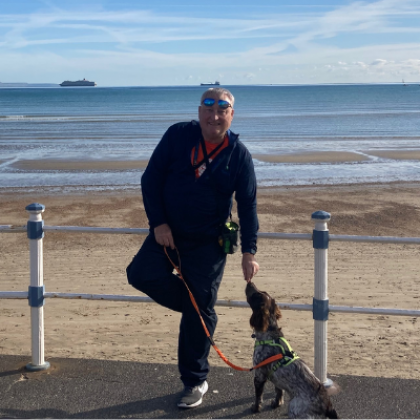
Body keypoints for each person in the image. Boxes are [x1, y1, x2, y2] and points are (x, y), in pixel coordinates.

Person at [126, 87, 259, 408]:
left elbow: (248, 204)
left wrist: (248, 251)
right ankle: (198, 311)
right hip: (167, 234)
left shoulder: (238, 155)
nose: (214, 116)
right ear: (199, 111)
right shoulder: (178, 136)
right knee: (140, 274)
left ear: (231, 115)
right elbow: (150, 179)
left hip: (209, 244)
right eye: (208, 108)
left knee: (199, 311)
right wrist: (158, 223)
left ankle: (195, 381)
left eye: (222, 110)